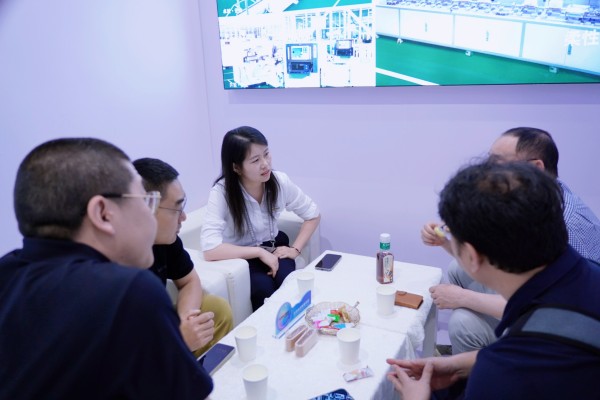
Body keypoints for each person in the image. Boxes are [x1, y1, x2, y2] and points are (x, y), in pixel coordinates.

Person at [0, 138, 213, 399]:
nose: (150, 216)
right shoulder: (130, 291)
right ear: (102, 213)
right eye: (145, 202)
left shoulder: (8, 272)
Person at [388, 161, 600, 400]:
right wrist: (460, 364)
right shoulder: (583, 269)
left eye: (450, 233)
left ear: (472, 257)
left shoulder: (502, 373)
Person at [422, 127, 600, 354]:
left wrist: (462, 298)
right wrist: (447, 242)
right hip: (544, 300)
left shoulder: (569, 229)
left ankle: (479, 363)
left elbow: (551, 307)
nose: (487, 172)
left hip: (562, 327)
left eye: (497, 163)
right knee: (457, 269)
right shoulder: (540, 200)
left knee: (462, 322)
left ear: (536, 167)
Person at [201, 126, 320, 311]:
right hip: (241, 256)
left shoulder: (279, 181)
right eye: (255, 160)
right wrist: (258, 252)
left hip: (274, 246)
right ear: (236, 167)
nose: (265, 164)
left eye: (266, 154)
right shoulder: (222, 193)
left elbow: (312, 214)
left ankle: (301, 324)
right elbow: (210, 249)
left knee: (288, 284)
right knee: (263, 289)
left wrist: (295, 249)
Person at [133, 157, 233, 357]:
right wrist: (177, 341)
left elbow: (189, 280)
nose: (184, 217)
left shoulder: (166, 240)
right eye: (176, 209)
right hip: (133, 349)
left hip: (156, 325)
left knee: (215, 309)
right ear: (146, 209)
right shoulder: (114, 267)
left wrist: (186, 320)